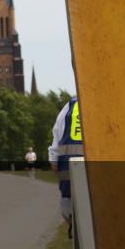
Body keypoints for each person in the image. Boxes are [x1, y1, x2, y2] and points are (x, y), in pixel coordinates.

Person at [48, 96, 83, 238]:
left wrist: (54, 158)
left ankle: (75, 230)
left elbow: (58, 132)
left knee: (67, 202)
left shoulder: (72, 105)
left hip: (68, 165)